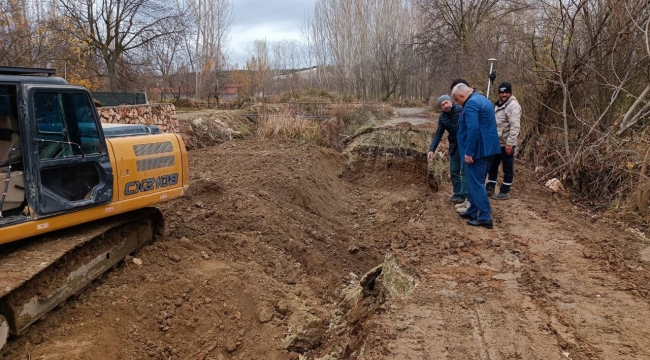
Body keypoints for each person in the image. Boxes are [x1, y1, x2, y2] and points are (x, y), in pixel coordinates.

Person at [451, 83, 501, 228]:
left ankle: (485, 216)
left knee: (476, 185)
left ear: (461, 96)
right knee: (476, 183)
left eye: (457, 100)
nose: (457, 103)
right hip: (489, 148)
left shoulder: (471, 104)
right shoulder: (483, 99)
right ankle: (472, 210)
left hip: (478, 151)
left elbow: (473, 129)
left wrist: (469, 152)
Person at [428, 95, 467, 203]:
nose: (445, 106)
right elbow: (438, 134)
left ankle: (464, 195)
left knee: (464, 171)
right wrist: (432, 149)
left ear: (451, 101)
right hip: (454, 146)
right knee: (454, 171)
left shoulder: (462, 109)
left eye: (446, 103)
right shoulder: (442, 117)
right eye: (442, 105)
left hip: (465, 144)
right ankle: (457, 192)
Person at [486, 82, 521, 200]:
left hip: (506, 144)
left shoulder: (513, 106)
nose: (504, 94)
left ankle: (504, 192)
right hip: (496, 143)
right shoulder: (498, 105)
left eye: (506, 92)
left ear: (510, 93)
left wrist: (510, 144)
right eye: (502, 92)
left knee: (507, 167)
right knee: (492, 166)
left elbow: (515, 127)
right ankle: (490, 187)